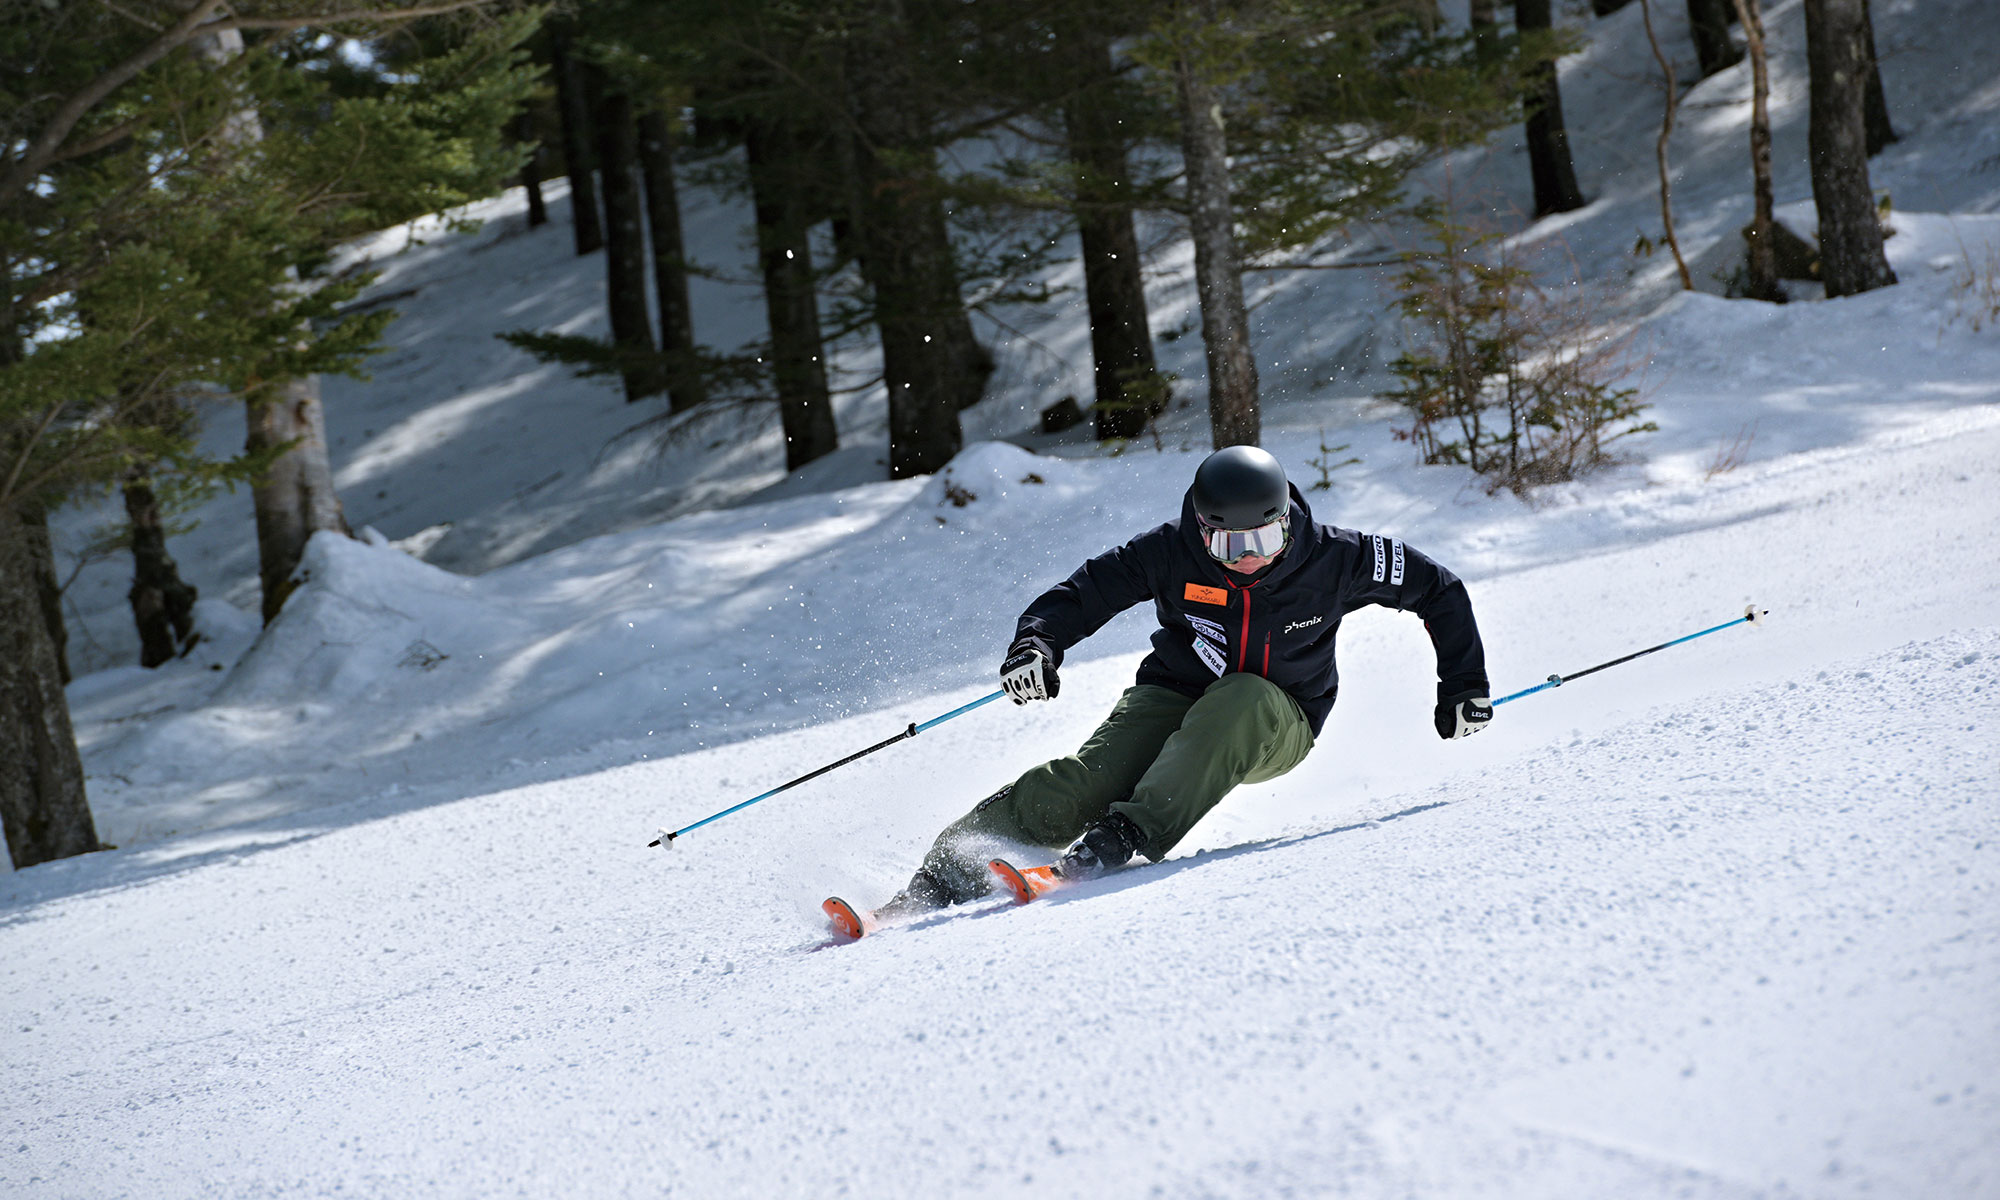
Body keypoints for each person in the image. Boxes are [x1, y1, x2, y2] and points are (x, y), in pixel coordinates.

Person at [881, 445, 1492, 917]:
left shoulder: (1340, 558)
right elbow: (1085, 592)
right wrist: (1036, 643)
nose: (1250, 556)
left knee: (1241, 697)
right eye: (1231, 542)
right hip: (1174, 692)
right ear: (1204, 530)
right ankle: (942, 875)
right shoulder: (1171, 552)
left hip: (1278, 719)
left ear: (1288, 520)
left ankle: (1122, 836)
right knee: (1086, 782)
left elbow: (1438, 589)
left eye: (1266, 537)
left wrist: (1463, 684)